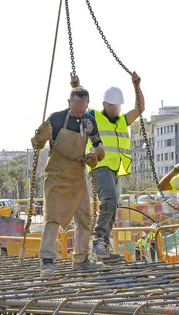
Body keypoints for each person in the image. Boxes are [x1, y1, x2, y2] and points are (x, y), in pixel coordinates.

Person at [31, 76, 106, 278]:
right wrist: (40, 137)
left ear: (87, 104)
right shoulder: (56, 119)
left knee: (84, 218)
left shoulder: (89, 122)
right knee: (52, 218)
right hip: (56, 176)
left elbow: (98, 145)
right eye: (76, 107)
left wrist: (96, 154)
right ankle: (47, 260)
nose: (79, 112)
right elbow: (36, 144)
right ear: (68, 103)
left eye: (83, 108)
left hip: (77, 177)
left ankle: (81, 260)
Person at [86, 72, 145, 262]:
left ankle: (103, 245)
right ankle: (98, 241)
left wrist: (136, 86)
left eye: (118, 106)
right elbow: (77, 111)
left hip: (114, 170)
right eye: (112, 106)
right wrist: (75, 88)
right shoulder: (93, 116)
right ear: (104, 104)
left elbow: (139, 109)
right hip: (99, 165)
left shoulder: (121, 120)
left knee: (113, 205)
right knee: (109, 200)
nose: (116, 110)